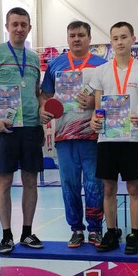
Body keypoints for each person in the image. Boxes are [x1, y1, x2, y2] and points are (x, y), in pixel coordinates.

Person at [0, 7, 50, 254]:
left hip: (31, 127)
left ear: (29, 28)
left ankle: (27, 233)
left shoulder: (34, 59)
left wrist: (41, 112)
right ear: (7, 26)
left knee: (31, 181)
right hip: (5, 127)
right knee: (4, 182)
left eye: (23, 24)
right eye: (15, 24)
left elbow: (37, 93)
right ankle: (7, 235)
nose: (19, 28)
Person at [89, 21, 138, 255]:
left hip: (132, 140)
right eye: (115, 38)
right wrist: (95, 120)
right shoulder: (101, 71)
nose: (120, 42)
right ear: (111, 42)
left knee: (133, 189)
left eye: (124, 37)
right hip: (107, 140)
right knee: (108, 189)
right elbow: (97, 109)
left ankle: (134, 235)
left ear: (133, 40)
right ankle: (111, 232)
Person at [41, 21, 107, 247]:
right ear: (67, 38)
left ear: (89, 38)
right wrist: (43, 109)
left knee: (94, 184)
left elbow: (110, 96)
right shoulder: (56, 65)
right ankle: (76, 229)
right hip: (64, 136)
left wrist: (94, 103)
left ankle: (95, 229)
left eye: (81, 35)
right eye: (72, 35)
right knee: (69, 184)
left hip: (94, 136)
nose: (76, 39)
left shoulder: (102, 65)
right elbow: (45, 96)